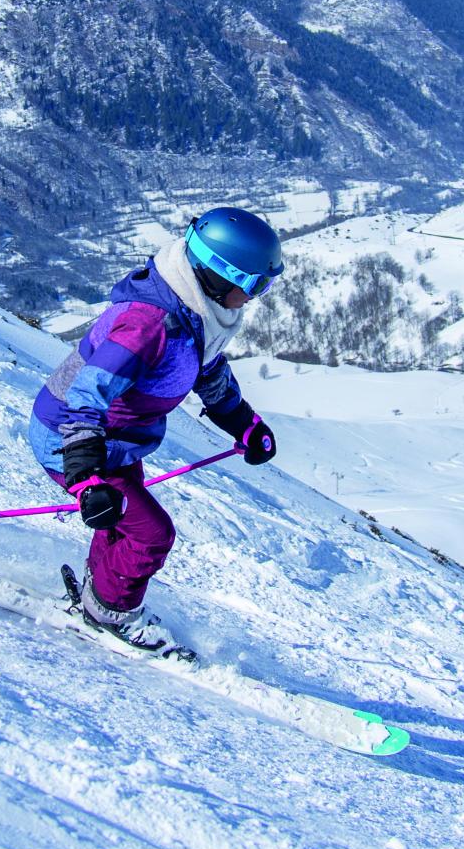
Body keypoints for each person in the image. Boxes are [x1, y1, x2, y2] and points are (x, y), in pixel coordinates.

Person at [27, 208, 283, 653]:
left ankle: (100, 596)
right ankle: (112, 614)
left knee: (123, 526)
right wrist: (86, 478)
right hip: (72, 439)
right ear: (220, 275)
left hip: (117, 444)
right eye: (254, 284)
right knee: (151, 533)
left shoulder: (195, 315)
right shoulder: (147, 324)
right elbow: (86, 395)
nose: (256, 296)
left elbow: (209, 375)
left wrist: (245, 424)